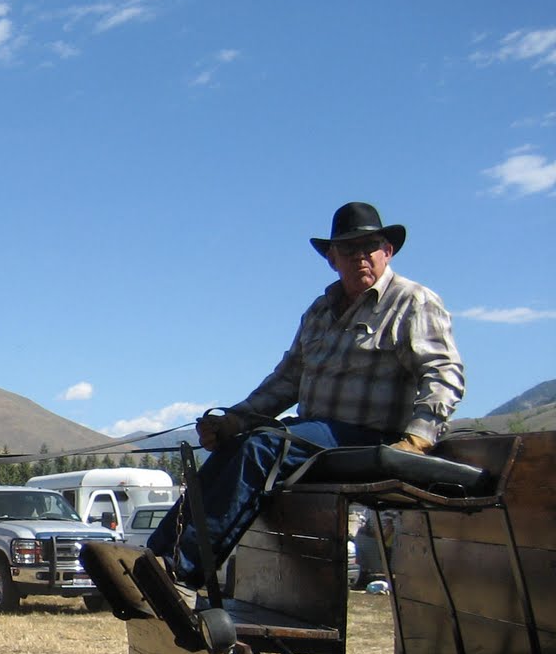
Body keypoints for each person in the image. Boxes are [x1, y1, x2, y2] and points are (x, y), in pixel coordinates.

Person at [147, 201, 465, 589]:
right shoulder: (319, 311)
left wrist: (417, 439)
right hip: (317, 437)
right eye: (349, 248)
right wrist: (235, 419)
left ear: (388, 251)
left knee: (265, 446)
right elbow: (286, 380)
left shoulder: (413, 301)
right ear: (332, 258)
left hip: (372, 438)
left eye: (370, 246)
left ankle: (180, 569)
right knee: (239, 443)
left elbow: (443, 373)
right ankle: (152, 558)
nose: (360, 256)